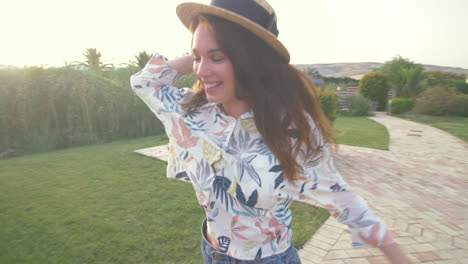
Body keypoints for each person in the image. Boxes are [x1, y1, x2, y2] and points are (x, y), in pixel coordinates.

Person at [130, 0, 409, 263]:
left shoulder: (290, 128)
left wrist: (394, 252)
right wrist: (206, 50)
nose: (201, 70)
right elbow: (145, 82)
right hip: (212, 253)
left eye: (217, 57)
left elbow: (341, 197)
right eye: (196, 57)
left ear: (251, 60)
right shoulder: (191, 111)